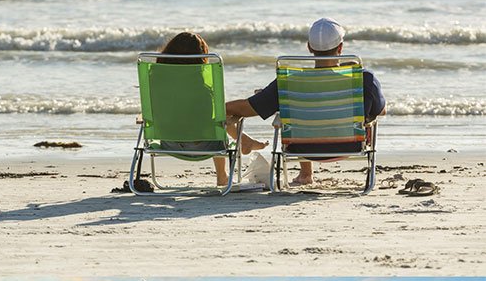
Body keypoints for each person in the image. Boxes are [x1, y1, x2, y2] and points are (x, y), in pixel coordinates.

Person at [225, 14, 386, 184]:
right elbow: (380, 111)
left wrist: (223, 107)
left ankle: (305, 174)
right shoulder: (364, 79)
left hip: (301, 148)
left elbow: (246, 108)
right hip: (350, 146)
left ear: (309, 47)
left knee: (299, 110)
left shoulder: (288, 83)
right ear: (340, 48)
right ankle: (305, 174)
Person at [157, 31, 264, 187]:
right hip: (205, 146)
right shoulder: (203, 90)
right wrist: (232, 118)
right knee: (219, 121)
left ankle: (246, 141)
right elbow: (209, 121)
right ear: (201, 59)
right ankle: (222, 176)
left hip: (168, 142)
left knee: (218, 119)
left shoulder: (158, 84)